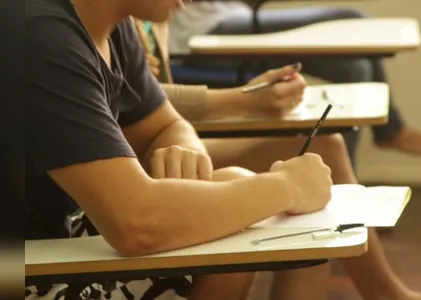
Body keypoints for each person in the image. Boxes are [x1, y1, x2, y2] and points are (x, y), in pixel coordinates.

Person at [133, 18, 421, 300]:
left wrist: (183, 129)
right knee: (261, 178)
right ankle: (386, 294)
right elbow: (131, 103)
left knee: (320, 153)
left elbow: (151, 97)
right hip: (130, 154)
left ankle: (381, 293)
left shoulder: (150, 17)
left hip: (163, 138)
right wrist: (242, 101)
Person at [25, 0, 335, 298]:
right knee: (232, 218)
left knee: (228, 192)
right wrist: (288, 187)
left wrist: (183, 149)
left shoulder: (112, 28)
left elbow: (164, 126)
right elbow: (135, 224)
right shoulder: (40, 33)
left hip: (55, 243)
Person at [168, 2, 421, 164]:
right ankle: (389, 132)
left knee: (354, 67)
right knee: (351, 19)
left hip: (228, 14)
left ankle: (346, 188)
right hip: (199, 30)